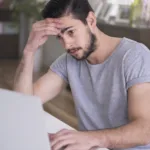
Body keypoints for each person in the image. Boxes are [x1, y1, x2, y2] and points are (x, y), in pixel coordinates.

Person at [13, 0, 150, 150]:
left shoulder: (134, 56)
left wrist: (91, 138)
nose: (66, 45)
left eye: (70, 32)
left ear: (90, 20)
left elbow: (144, 130)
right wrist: (29, 51)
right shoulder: (68, 62)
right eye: (59, 37)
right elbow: (23, 105)